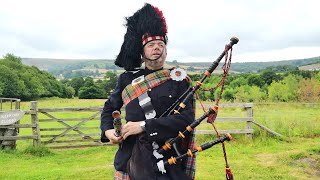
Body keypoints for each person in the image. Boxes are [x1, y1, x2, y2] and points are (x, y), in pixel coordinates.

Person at [100, 3, 196, 180]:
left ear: (166, 51)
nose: (156, 47)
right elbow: (108, 108)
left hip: (168, 161)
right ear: (142, 52)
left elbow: (187, 119)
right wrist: (108, 132)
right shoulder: (126, 79)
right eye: (151, 44)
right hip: (129, 159)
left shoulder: (178, 79)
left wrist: (143, 126)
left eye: (161, 44)